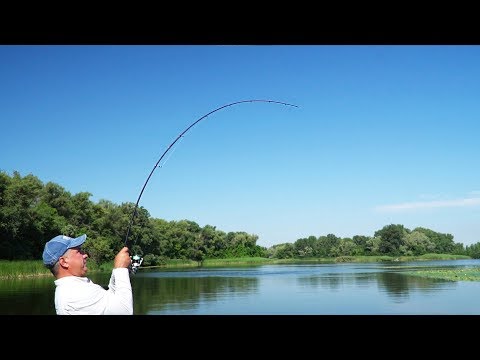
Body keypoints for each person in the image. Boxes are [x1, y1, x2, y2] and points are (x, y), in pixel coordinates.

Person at [42, 234, 133, 315]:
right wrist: (121, 269)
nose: (85, 255)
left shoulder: (74, 288)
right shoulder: (74, 294)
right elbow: (125, 311)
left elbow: (110, 298)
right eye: (78, 251)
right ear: (64, 262)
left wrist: (117, 269)